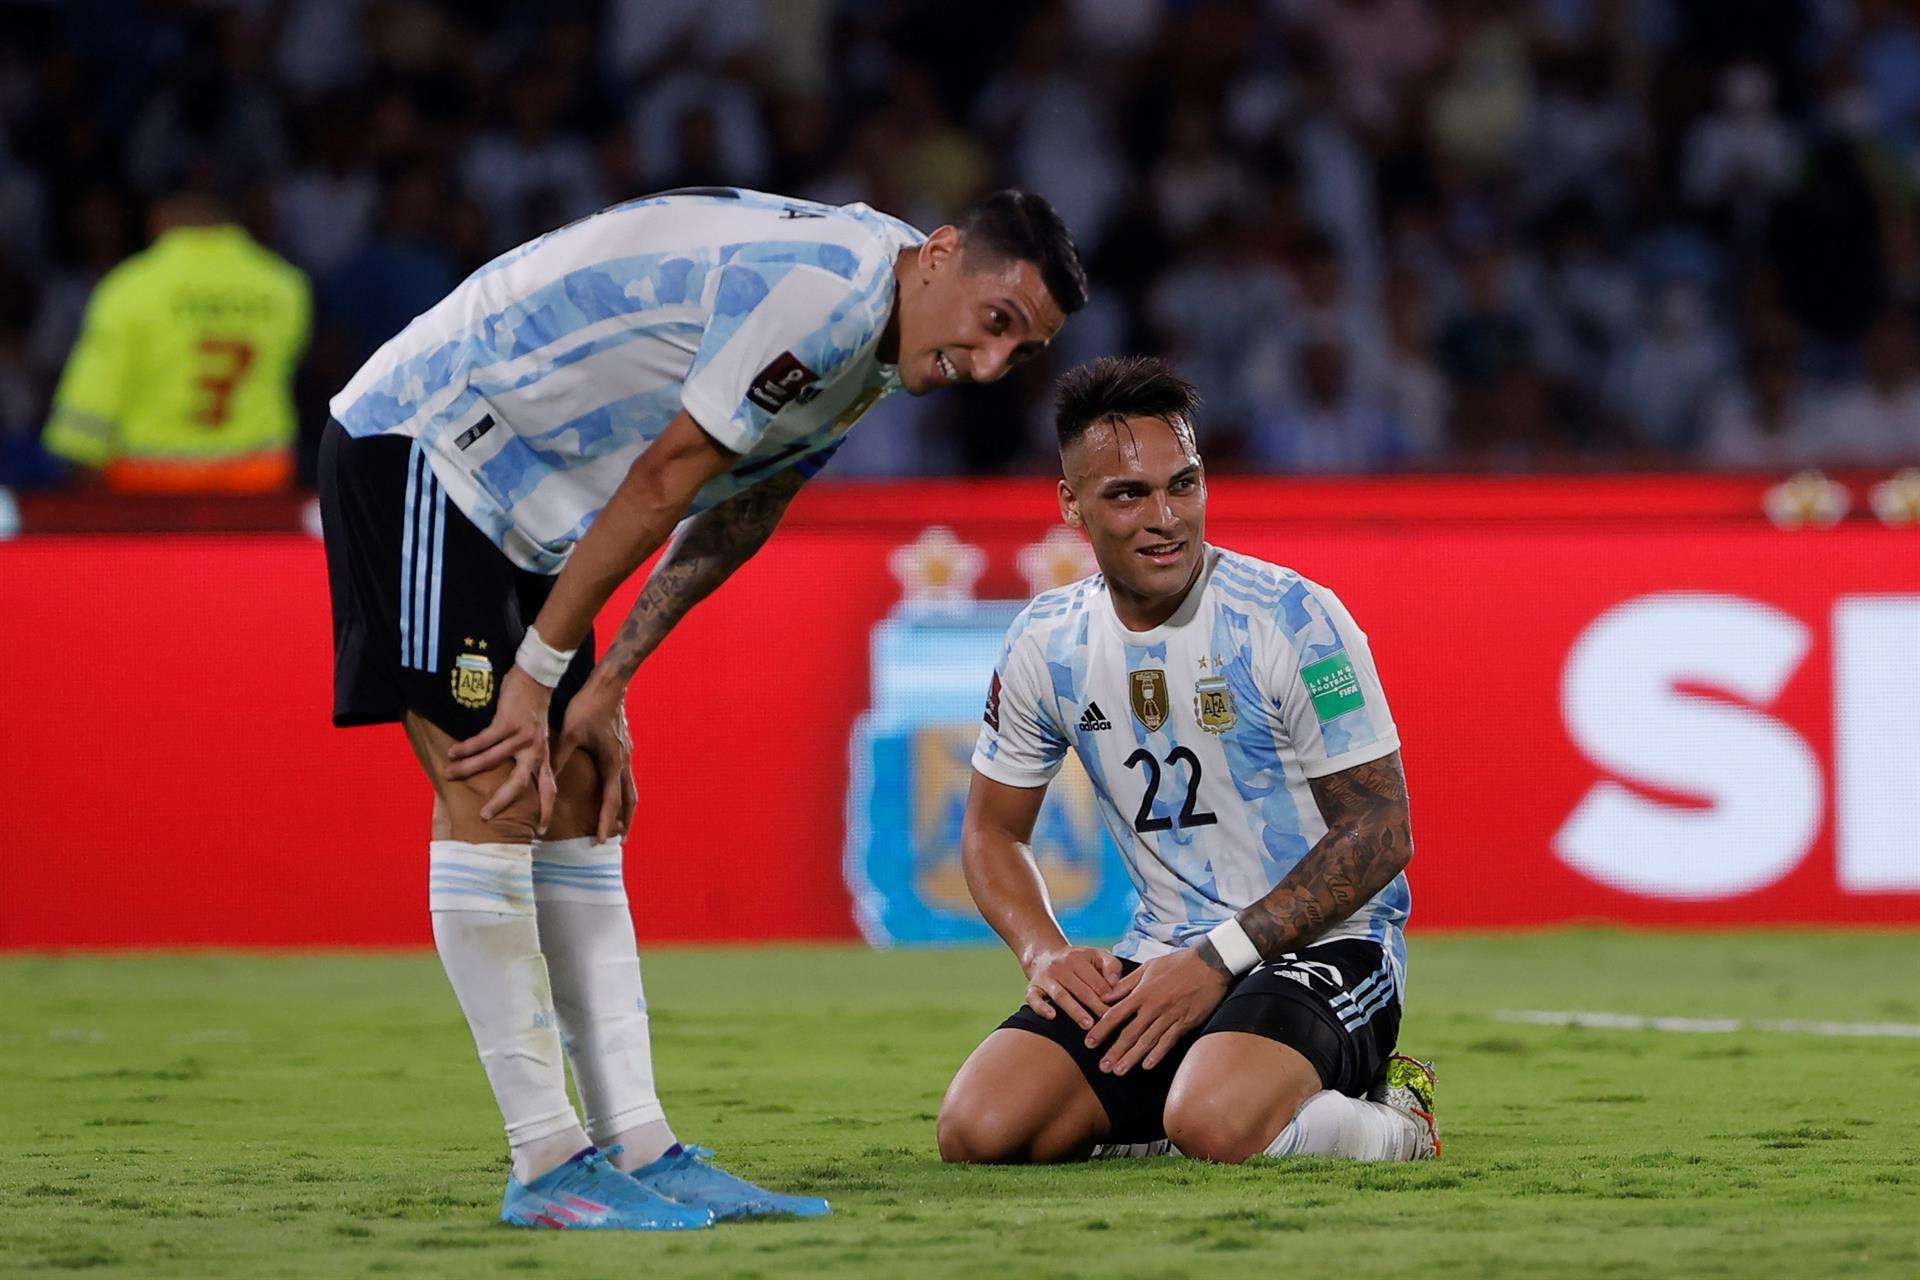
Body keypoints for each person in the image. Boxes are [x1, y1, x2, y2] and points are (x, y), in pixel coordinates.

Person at [319, 186, 1084, 1229]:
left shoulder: (876, 339)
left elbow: (744, 504)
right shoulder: (830, 296)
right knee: (495, 784)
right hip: (428, 442)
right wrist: (545, 674)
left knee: (583, 791)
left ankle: (640, 1145)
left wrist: (607, 681)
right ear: (941, 254)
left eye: (1020, 351)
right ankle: (546, 1159)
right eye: (996, 324)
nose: (991, 366)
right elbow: (669, 471)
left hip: (536, 506)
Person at [937, 355, 1437, 1167]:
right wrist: (1046, 953)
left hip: (1329, 951)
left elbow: (1381, 830)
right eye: (1128, 495)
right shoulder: (1047, 641)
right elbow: (993, 833)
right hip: (1163, 956)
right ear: (1072, 503)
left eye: (1184, 484)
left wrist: (1222, 957)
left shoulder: (1291, 618)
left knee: (1213, 1120)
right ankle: (1209, 1115)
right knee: (981, 1130)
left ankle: (1398, 1122)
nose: (1164, 517)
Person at [42, 193, 310, 492]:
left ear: (159, 223)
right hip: (258, 473)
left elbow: (87, 413)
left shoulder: (129, 287)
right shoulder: (284, 285)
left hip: (151, 478)